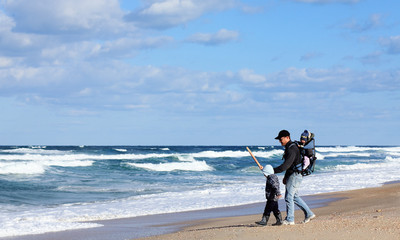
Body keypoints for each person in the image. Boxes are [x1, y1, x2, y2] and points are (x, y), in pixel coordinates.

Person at [273, 130, 315, 225]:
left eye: (281, 139)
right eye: (279, 140)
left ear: (287, 137)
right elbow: (291, 165)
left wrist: (272, 171)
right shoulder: (291, 147)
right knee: (294, 197)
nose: (280, 141)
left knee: (289, 197)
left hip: (295, 175)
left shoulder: (291, 148)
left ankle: (290, 219)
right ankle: (309, 214)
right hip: (295, 175)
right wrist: (285, 177)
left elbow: (286, 165)